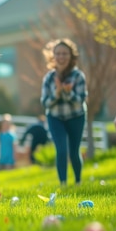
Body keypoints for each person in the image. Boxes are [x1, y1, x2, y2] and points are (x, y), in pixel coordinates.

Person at [40, 38, 88, 186]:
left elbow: (80, 100)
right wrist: (58, 92)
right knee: (61, 150)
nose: (61, 57)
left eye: (65, 53)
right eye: (58, 53)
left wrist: (68, 93)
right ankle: (63, 183)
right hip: (55, 118)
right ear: (53, 56)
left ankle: (78, 181)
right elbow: (45, 102)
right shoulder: (49, 78)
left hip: (76, 116)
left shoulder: (78, 76)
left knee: (74, 151)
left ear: (71, 56)